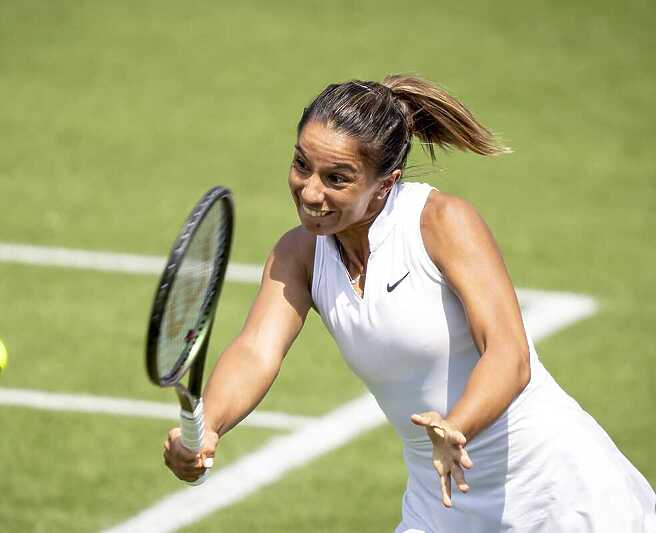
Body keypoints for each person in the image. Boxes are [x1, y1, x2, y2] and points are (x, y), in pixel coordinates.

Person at [162, 75, 656, 532]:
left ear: (386, 184)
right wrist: (209, 428)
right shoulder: (298, 254)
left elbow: (510, 352)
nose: (310, 191)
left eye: (338, 178)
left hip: (557, 492)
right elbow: (256, 350)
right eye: (301, 165)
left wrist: (455, 425)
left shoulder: (441, 222)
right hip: (440, 504)